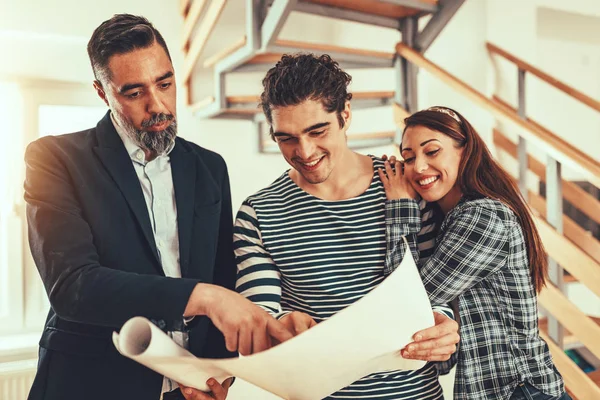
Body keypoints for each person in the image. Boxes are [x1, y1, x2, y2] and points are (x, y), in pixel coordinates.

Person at [23, 14, 291, 400]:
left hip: (187, 389)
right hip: (90, 384)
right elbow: (72, 286)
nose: (157, 105)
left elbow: (221, 273)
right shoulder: (54, 158)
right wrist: (203, 297)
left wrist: (218, 374)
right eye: (133, 93)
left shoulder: (210, 168)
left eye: (165, 84)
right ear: (102, 92)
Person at [233, 54, 460, 399]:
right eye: (286, 138)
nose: (304, 151)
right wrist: (276, 327)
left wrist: (443, 326)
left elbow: (435, 291)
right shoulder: (258, 213)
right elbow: (261, 317)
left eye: (317, 130)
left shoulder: (409, 186)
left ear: (346, 114)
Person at [380, 106, 569, 400]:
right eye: (408, 157)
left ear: (464, 152)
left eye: (431, 152)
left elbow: (411, 299)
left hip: (519, 391)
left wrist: (400, 205)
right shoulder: (449, 221)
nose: (417, 167)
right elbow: (446, 350)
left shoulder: (483, 217)